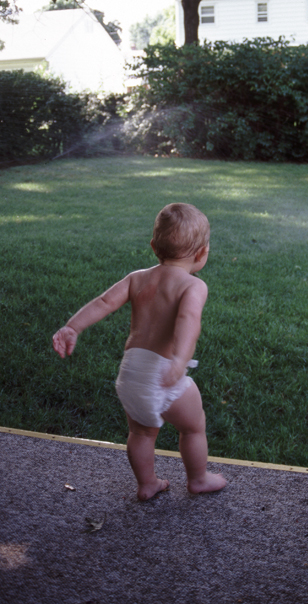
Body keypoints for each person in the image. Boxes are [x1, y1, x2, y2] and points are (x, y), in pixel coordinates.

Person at [53, 203, 227, 501]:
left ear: (153, 246)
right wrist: (180, 360)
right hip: (164, 372)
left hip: (131, 372)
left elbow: (105, 302)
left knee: (142, 433)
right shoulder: (193, 286)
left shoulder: (137, 278)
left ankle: (147, 483)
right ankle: (198, 478)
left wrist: (72, 327)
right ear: (201, 253)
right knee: (194, 427)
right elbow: (188, 322)